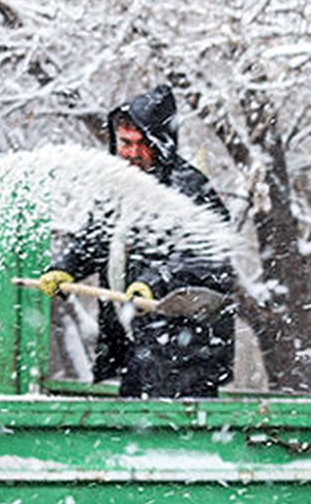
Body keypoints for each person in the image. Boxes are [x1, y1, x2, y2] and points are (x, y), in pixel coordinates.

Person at [37, 84, 235, 398]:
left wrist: (154, 283)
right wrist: (66, 268)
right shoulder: (118, 187)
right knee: (136, 436)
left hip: (184, 357)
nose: (128, 153)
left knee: (170, 444)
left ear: (161, 142)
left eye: (138, 144)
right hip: (138, 351)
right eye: (123, 143)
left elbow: (204, 259)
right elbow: (95, 239)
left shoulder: (189, 191)